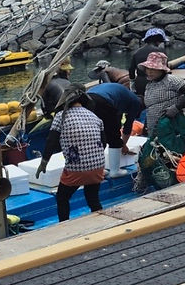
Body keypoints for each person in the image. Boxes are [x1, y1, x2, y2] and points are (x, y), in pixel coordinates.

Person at [36, 84, 106, 222]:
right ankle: (101, 221)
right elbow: (103, 143)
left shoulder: (60, 117)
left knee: (62, 197)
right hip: (98, 166)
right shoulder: (94, 116)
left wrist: (44, 162)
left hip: (76, 169)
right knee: (92, 197)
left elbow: (51, 141)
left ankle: (64, 225)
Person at [86, 82, 144, 177]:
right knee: (114, 137)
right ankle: (115, 171)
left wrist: (122, 144)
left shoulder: (123, 97)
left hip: (87, 99)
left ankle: (96, 170)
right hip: (102, 101)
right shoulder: (136, 102)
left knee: (97, 136)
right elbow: (128, 126)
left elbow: (117, 122)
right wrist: (122, 144)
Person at [138, 51, 185, 134]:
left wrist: (176, 108)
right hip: (155, 128)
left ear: (162, 70)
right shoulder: (150, 85)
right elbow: (150, 107)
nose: (149, 72)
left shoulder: (171, 80)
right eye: (148, 69)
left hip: (172, 125)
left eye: (153, 69)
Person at [128, 28, 167, 97]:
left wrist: (132, 83)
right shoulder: (161, 51)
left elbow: (131, 70)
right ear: (158, 40)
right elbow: (165, 69)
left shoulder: (136, 52)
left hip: (140, 83)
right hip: (157, 83)